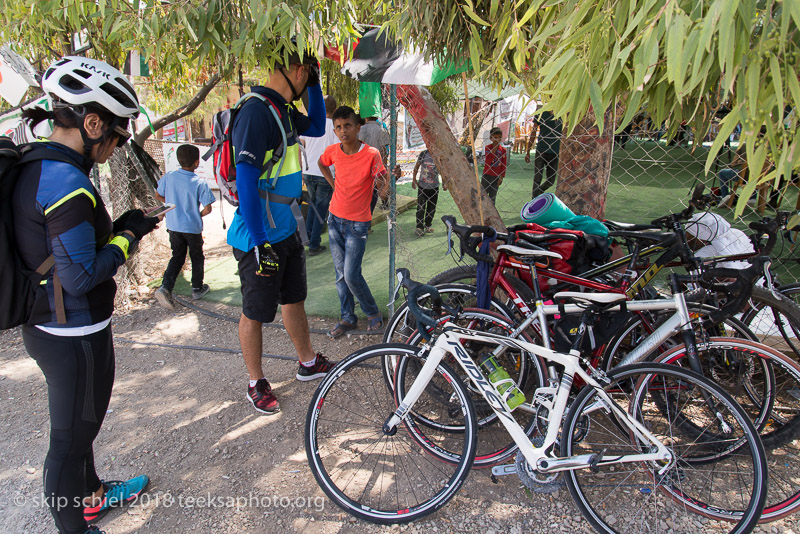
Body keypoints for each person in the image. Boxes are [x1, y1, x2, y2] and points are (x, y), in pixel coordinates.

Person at [12, 56, 159, 534]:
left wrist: (116, 228)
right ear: (91, 122)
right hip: (75, 333)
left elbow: (59, 252)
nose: (116, 146)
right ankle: (76, 527)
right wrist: (128, 236)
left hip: (49, 326)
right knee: (72, 440)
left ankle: (93, 494)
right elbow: (79, 278)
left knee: (78, 429)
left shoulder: (38, 165)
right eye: (116, 135)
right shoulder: (69, 184)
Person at [227, 45, 332, 415]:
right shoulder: (256, 113)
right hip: (260, 237)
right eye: (311, 74)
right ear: (299, 71)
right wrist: (260, 245)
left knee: (293, 298)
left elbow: (318, 125)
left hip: (285, 229)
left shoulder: (283, 109)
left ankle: (307, 362)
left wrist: (315, 84)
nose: (311, 80)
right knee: (255, 311)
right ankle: (255, 383)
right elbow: (246, 182)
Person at [318, 106, 389, 338]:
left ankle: (372, 312)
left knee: (351, 274)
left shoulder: (371, 154)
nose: (342, 131)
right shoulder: (333, 151)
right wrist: (332, 183)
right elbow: (322, 163)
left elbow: (383, 186)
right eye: (338, 127)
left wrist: (389, 182)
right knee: (340, 274)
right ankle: (348, 317)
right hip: (334, 219)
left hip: (357, 223)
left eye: (347, 125)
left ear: (358, 127)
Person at [153, 144, 216, 309]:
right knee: (197, 256)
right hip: (192, 228)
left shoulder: (169, 177)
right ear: (196, 163)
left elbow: (158, 195)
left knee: (177, 256)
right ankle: (197, 288)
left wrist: (172, 206)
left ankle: (166, 286)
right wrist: (197, 214)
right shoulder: (199, 182)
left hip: (174, 225)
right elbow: (208, 208)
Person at [300, 95, 338, 256]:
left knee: (313, 205)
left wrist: (301, 169)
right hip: (325, 172)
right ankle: (314, 243)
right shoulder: (335, 127)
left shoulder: (310, 124)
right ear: (334, 109)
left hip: (308, 171)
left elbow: (301, 145)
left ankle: (307, 238)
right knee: (320, 209)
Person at [684, 212, 754, 269]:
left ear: (704, 240)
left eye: (688, 236)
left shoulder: (707, 252)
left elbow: (693, 278)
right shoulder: (737, 233)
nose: (685, 239)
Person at [525, 110, 563, 198]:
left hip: (555, 152)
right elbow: (533, 132)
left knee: (551, 181)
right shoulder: (541, 113)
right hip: (541, 150)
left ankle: (538, 194)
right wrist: (528, 151)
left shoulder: (563, 113)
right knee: (537, 178)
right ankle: (534, 200)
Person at [358, 115, 391, 215]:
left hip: (361, 165)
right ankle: (383, 204)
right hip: (377, 165)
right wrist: (383, 166)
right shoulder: (382, 130)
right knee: (377, 189)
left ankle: (364, 214)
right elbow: (384, 150)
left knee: (364, 192)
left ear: (365, 118)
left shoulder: (359, 129)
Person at [412, 148, 445, 236]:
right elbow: (416, 167)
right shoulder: (423, 154)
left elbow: (442, 171)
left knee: (431, 208)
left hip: (434, 187)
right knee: (421, 207)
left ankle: (427, 225)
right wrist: (414, 179)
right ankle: (419, 227)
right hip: (422, 186)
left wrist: (444, 183)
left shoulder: (439, 155)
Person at [481, 127, 507, 204]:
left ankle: (491, 214)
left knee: (493, 197)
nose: (497, 139)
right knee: (483, 195)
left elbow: (503, 164)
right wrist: (495, 148)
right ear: (491, 138)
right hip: (487, 175)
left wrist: (501, 177)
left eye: (499, 137)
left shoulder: (503, 150)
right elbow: (488, 161)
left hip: (496, 176)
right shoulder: (488, 148)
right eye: (495, 137)